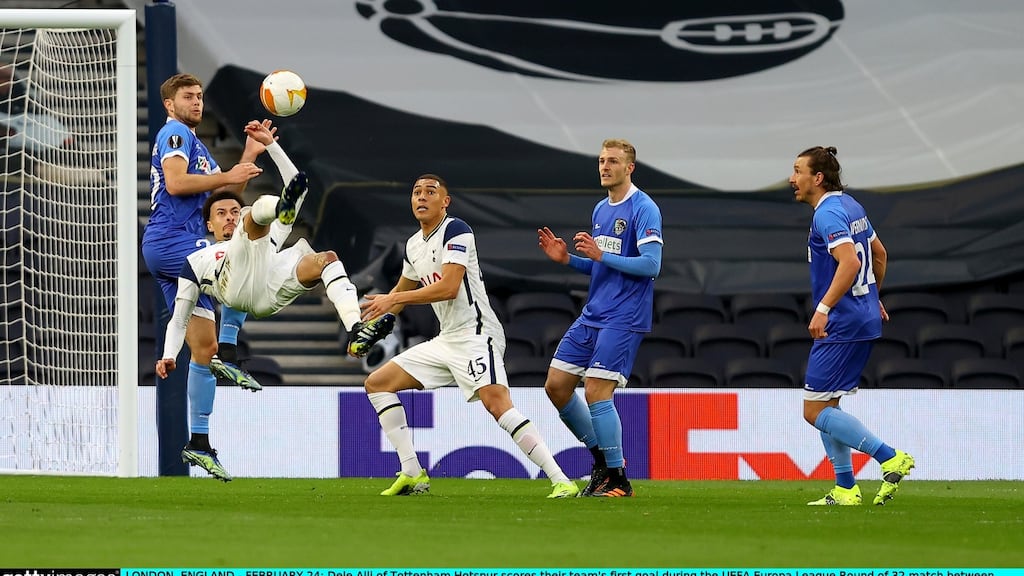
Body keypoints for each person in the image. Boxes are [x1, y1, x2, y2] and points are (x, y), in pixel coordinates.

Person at [155, 125, 397, 481]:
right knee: (257, 215)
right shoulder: (198, 259)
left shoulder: (254, 230)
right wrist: (170, 354)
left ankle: (355, 329)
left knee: (325, 258)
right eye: (221, 213)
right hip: (233, 284)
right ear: (207, 223)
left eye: (231, 212)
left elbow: (299, 181)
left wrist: (271, 147)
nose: (229, 217)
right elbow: (179, 318)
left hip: (270, 287)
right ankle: (276, 207)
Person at [358, 174, 578, 498]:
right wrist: (379, 320)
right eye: (416, 192)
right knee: (377, 384)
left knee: (497, 403)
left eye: (430, 192)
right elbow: (402, 289)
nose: (421, 197)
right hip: (446, 339)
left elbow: (448, 288)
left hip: (477, 334)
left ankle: (561, 479)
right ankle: (411, 472)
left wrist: (394, 300)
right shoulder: (412, 245)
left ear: (444, 201)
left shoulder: (456, 229)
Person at [141, 72, 269, 479]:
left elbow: (223, 197)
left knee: (202, 349)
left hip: (177, 250)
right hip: (173, 241)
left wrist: (251, 150)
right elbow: (177, 184)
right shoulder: (175, 133)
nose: (197, 103)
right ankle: (232, 351)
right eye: (188, 97)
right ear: (169, 103)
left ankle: (199, 443)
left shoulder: (195, 144)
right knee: (244, 256)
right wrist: (230, 175)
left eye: (199, 97)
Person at [537, 138, 663, 497]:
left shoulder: (644, 208)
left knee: (596, 391)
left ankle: (618, 477)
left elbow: (652, 265)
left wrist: (600, 256)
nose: (605, 167)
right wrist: (568, 260)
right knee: (557, 385)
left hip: (624, 316)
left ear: (630, 168)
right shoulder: (601, 209)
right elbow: (599, 267)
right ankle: (601, 463)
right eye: (601, 161)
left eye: (613, 161)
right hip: (594, 312)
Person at [790, 145, 915, 506]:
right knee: (828, 405)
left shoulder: (827, 215)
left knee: (813, 411)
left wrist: (824, 308)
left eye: (798, 171)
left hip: (842, 321)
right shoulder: (852, 206)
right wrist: (871, 296)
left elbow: (847, 262)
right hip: (862, 315)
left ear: (817, 177)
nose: (791, 178)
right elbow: (879, 254)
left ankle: (889, 456)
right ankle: (846, 488)